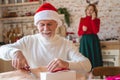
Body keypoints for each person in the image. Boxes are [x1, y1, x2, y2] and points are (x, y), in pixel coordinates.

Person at [0, 3, 91, 74]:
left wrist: (67, 64)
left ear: (56, 24)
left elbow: (87, 65)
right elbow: (2, 50)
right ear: (37, 25)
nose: (46, 29)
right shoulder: (28, 41)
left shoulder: (66, 44)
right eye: (42, 24)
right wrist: (15, 53)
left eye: (49, 24)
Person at [78, 4, 103, 68]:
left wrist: (93, 20)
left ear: (94, 12)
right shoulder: (82, 19)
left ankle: (94, 73)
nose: (89, 11)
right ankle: (87, 73)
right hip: (84, 40)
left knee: (94, 56)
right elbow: (79, 33)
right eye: (88, 9)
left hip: (93, 40)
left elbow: (95, 31)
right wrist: (83, 30)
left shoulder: (97, 20)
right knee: (85, 57)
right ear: (86, 11)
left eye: (91, 10)